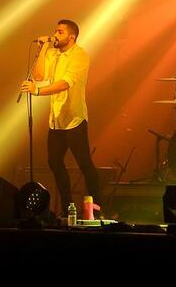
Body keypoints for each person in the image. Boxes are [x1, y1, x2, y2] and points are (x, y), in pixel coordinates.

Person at [20, 19, 101, 217]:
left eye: (60, 32)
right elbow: (39, 75)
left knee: (84, 163)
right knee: (54, 161)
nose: (55, 34)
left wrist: (37, 92)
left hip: (74, 119)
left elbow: (65, 83)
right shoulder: (53, 54)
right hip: (56, 119)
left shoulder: (79, 55)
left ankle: (99, 205)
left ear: (71, 36)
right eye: (55, 30)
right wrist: (43, 47)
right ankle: (67, 207)